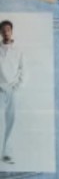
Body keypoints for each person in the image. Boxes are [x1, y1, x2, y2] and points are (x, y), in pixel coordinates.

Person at [0, 20, 25, 164]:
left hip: (12, 90)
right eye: (3, 30)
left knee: (11, 121)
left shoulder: (18, 50)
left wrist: (16, 87)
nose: (5, 32)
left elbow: (24, 70)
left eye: (8, 29)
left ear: (11, 31)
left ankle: (7, 153)